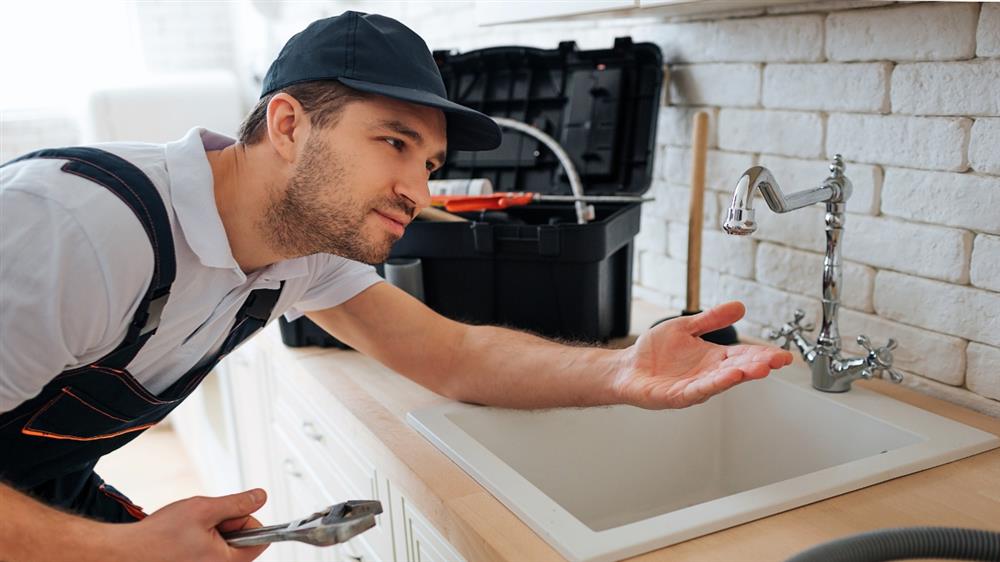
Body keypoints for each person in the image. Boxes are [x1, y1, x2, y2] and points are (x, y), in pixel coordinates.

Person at [0, 11, 793, 562]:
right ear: (287, 125)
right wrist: (115, 551)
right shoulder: (80, 229)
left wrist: (619, 372)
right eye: (394, 142)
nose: (416, 187)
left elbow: (450, 355)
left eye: (430, 163)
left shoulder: (297, 245)